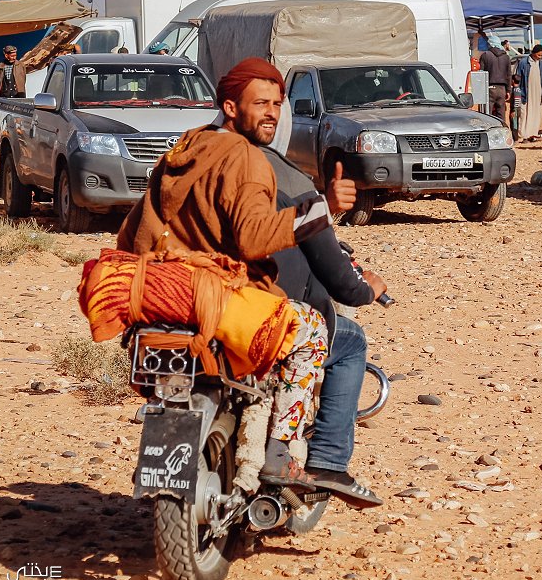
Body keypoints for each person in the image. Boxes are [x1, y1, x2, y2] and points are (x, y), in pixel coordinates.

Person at [117, 58, 339, 490]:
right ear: (232, 107)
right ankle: (279, 451)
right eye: (261, 103)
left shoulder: (184, 148)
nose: (272, 112)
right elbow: (254, 238)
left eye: (277, 103)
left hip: (164, 294)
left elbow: (135, 229)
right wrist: (317, 210)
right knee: (311, 330)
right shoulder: (246, 159)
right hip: (216, 299)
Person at [260, 117, 386, 507]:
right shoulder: (287, 180)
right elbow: (341, 282)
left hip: (194, 305)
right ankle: (328, 460)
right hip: (259, 313)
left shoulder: (189, 163)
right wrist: (368, 288)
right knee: (348, 341)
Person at [478, 31, 511, 122]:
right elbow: (508, 75)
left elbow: (481, 74)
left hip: (489, 88)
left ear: (490, 44)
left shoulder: (485, 55)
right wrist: (508, 91)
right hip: (502, 89)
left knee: (487, 114)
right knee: (501, 114)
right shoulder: (506, 57)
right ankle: (501, 132)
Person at [517, 44, 542, 141]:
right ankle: (523, 135)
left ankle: (533, 134)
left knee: (536, 112)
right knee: (524, 113)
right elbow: (518, 78)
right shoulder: (523, 63)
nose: (540, 57)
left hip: (538, 93)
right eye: (538, 55)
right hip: (526, 92)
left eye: (541, 55)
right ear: (533, 53)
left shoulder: (541, 64)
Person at [509, 74, 522, 142]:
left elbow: (516, 100)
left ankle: (515, 138)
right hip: (517, 109)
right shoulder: (518, 89)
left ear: (513, 81)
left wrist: (513, 110)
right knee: (515, 124)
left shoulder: (515, 90)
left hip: (515, 109)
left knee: (514, 125)